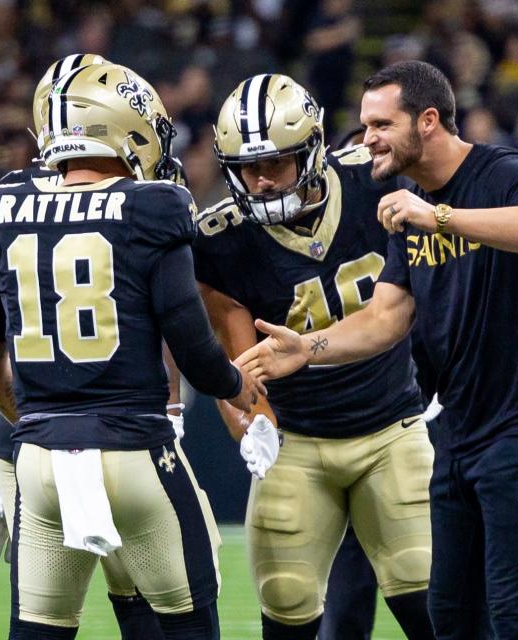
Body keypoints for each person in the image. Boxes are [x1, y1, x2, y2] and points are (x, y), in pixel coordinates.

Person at [237, 60, 518, 639]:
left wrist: (442, 217)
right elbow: (386, 317)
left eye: (380, 124)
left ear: (428, 121)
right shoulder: (407, 200)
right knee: (447, 617)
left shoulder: (498, 171)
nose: (367, 138)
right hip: (459, 428)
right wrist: (309, 347)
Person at [0, 62, 260, 640]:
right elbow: (192, 344)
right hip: (132, 449)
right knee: (188, 622)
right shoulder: (150, 208)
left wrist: (35, 429)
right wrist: (236, 387)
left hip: (42, 462)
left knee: (39, 630)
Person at [194, 73, 433, 639]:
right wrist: (252, 425)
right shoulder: (218, 239)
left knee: (426, 591)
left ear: (313, 149)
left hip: (390, 427)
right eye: (246, 167)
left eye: (276, 162)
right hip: (296, 442)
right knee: (287, 600)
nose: (259, 179)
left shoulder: (377, 181)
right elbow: (238, 366)